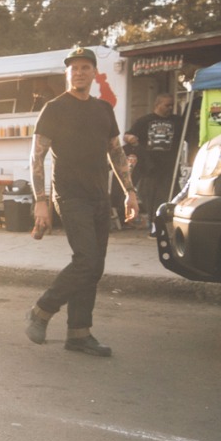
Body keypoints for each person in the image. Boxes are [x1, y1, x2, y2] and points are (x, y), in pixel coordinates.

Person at [25, 46, 138, 356]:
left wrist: (130, 192)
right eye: (73, 68)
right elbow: (36, 157)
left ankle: (79, 333)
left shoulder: (103, 109)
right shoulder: (55, 108)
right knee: (87, 260)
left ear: (93, 74)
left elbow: (115, 152)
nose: (79, 72)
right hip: (70, 195)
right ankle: (41, 311)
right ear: (67, 73)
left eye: (85, 67)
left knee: (94, 267)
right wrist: (41, 200)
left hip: (100, 196)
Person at [129, 92, 183, 231]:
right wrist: (130, 138)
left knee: (170, 195)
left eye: (172, 105)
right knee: (149, 195)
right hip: (150, 165)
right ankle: (154, 223)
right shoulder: (144, 121)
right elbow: (128, 134)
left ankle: (165, 224)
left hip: (170, 164)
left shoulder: (178, 121)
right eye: (167, 105)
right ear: (157, 105)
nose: (170, 108)